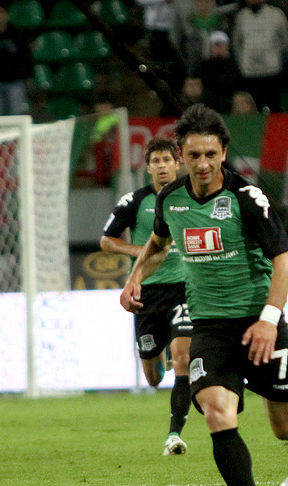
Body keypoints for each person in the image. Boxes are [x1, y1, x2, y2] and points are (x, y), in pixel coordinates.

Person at [119, 104, 288, 486]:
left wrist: (268, 320)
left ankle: (254, 382)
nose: (202, 164)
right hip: (209, 325)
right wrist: (135, 276)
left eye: (211, 155)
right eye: (194, 155)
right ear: (181, 155)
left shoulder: (246, 199)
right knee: (218, 411)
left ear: (223, 153)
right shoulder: (171, 199)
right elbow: (158, 243)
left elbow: (285, 262)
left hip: (259, 323)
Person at [101, 137, 193, 456]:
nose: (162, 165)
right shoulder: (135, 201)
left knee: (183, 357)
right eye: (156, 161)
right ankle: (158, 356)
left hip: (184, 288)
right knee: (152, 378)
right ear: (148, 167)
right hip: (147, 292)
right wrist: (138, 251)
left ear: (177, 163)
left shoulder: (191, 197)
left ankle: (174, 434)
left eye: (167, 159)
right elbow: (107, 240)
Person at [233, 0, 288, 112]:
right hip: (249, 71)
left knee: (274, 107)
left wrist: (273, 54)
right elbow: (237, 43)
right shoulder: (241, 16)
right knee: (252, 109)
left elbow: (286, 40)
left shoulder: (276, 14)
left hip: (272, 70)